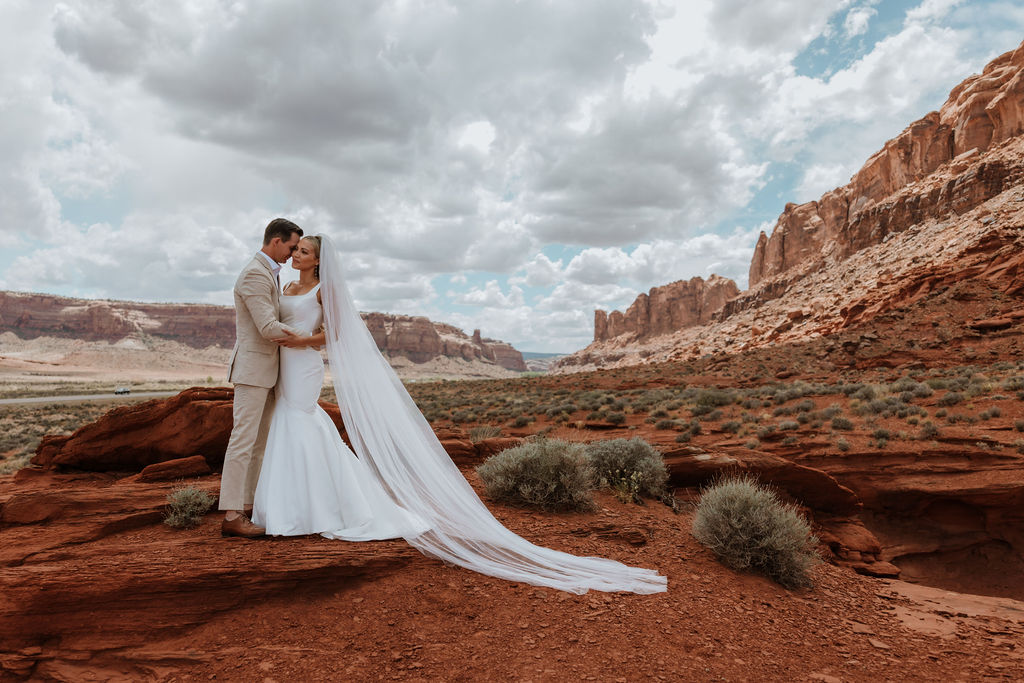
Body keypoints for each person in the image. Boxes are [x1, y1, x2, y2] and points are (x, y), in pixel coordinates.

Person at [253, 231, 667, 595]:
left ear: (320, 259)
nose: (297, 255)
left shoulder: (325, 290)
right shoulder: (286, 286)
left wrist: (304, 343)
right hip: (282, 365)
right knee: (291, 423)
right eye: (296, 250)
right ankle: (294, 503)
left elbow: (340, 334)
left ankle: (320, 507)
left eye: (304, 251)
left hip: (303, 364)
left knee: (302, 420)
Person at [219, 218, 303, 538]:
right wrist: (310, 339)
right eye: (292, 247)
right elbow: (267, 328)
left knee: (259, 444)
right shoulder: (255, 273)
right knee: (242, 441)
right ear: (276, 241)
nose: (293, 255)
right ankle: (231, 515)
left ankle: (249, 505)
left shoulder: (269, 272)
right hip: (253, 372)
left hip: (268, 372)